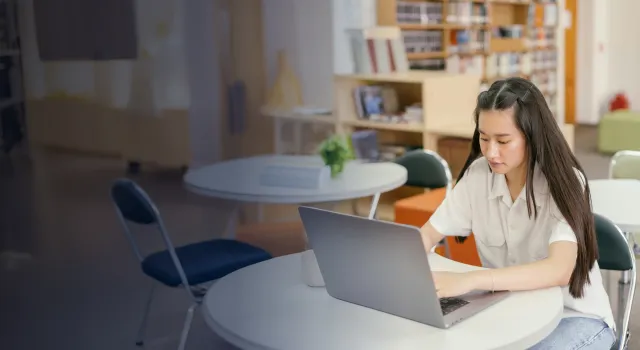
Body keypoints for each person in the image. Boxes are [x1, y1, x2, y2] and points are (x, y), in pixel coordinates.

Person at [420, 78, 616, 349]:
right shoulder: (478, 176)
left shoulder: (566, 182)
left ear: (531, 136)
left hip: (575, 318)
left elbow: (559, 270)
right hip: (512, 313)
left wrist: (471, 280)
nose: (490, 152)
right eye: (484, 138)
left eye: (503, 140)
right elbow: (427, 235)